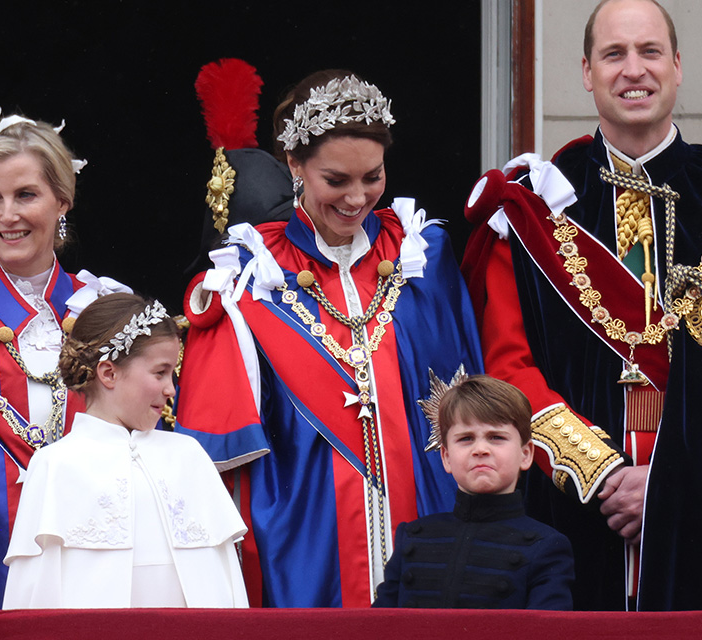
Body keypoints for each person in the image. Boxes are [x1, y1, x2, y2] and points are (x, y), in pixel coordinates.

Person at [462, 0, 702, 610]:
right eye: (613, 53)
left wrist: (672, 481)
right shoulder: (533, 206)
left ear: (677, 65)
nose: (633, 69)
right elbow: (508, 371)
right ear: (587, 73)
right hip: (573, 512)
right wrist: (605, 474)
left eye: (650, 51)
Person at [175, 69, 484, 607]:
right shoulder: (248, 276)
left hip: (427, 524)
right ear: (293, 164)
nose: (357, 197)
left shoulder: (421, 256)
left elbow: (471, 403)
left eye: (373, 176)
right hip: (301, 538)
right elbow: (215, 452)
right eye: (336, 180)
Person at [2, 293, 248, 608]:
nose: (171, 388)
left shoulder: (190, 456)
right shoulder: (55, 465)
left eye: (172, 374)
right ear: (109, 373)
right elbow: (32, 600)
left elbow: (227, 588)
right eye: (160, 373)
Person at [0, 110, 130, 608]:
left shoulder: (106, 310)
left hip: (91, 553)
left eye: (24, 195)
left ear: (62, 201)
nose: (7, 215)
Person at [372, 375, 573, 609]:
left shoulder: (547, 546)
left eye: (496, 437)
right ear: (446, 457)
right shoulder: (413, 537)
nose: (480, 449)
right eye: (466, 439)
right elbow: (378, 628)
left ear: (526, 454)